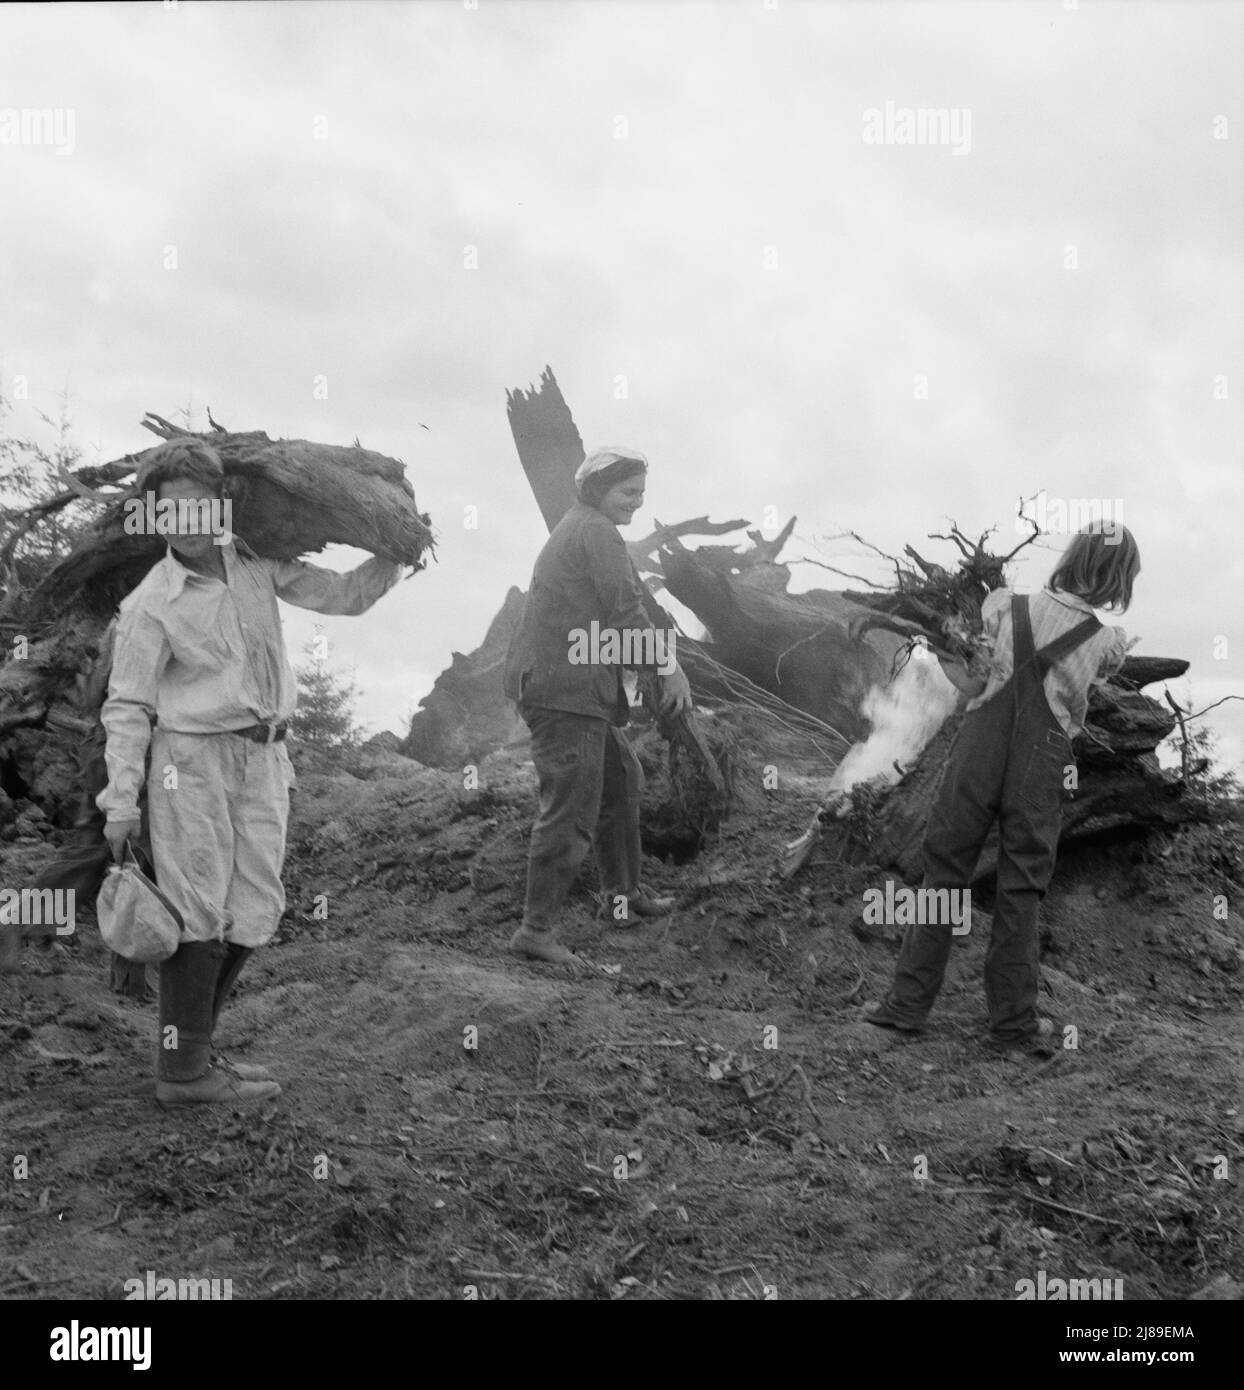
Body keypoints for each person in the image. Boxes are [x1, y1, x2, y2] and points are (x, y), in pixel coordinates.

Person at [97, 438, 403, 1105]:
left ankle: (197, 1055)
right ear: (154, 516)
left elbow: (345, 596)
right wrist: (120, 798)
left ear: (220, 506)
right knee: (197, 909)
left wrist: (396, 551)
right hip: (191, 763)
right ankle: (183, 1073)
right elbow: (128, 706)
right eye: (172, 509)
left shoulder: (256, 565)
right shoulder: (154, 602)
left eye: (200, 505)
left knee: (254, 908)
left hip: (265, 758)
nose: (189, 520)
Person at [866, 521, 1141, 1055]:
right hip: (1042, 762)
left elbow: (974, 677)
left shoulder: (1002, 606)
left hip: (978, 748)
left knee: (943, 872)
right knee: (1021, 887)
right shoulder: (1104, 641)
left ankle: (905, 1006)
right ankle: (1013, 1028)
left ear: (1074, 555)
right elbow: (1106, 667)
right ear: (1117, 580)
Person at [503, 447, 693, 976]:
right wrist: (668, 667)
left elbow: (607, 626)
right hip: (564, 692)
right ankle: (534, 932)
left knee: (621, 779)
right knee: (571, 808)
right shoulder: (596, 531)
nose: (635, 503)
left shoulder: (580, 526)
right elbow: (626, 615)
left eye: (641, 494)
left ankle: (622, 897)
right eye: (627, 492)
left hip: (569, 687)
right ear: (597, 491)